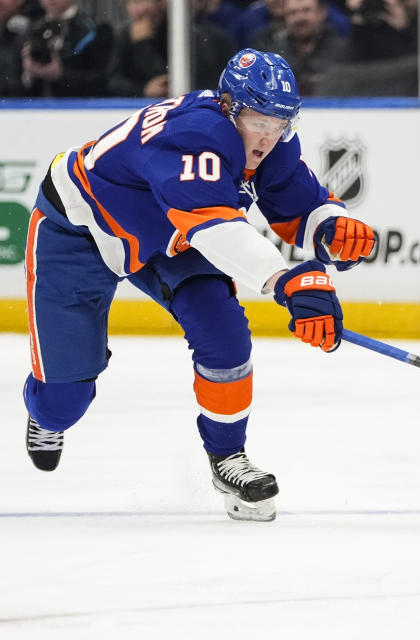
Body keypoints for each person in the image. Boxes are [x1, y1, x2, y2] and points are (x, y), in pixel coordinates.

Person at [22, 48, 376, 522]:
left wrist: (331, 228)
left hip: (172, 237)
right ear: (230, 106)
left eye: (280, 123)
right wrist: (288, 280)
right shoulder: (193, 135)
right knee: (63, 403)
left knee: (225, 335)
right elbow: (216, 229)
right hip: (83, 230)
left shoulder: (271, 142)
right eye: (258, 120)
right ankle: (46, 410)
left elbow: (300, 207)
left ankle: (227, 457)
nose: (268, 137)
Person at [107, 0, 236, 97]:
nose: (139, 10)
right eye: (133, 2)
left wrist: (143, 45)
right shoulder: (126, 35)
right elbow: (113, 82)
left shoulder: (186, 34)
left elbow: (172, 81)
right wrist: (142, 90)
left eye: (144, 1)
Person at [252, 0, 348, 96]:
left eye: (306, 11)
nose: (299, 18)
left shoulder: (342, 51)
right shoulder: (272, 56)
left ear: (322, 12)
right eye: (293, 13)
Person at [19, 0, 114, 97]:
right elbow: (9, 81)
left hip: (80, 107)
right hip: (33, 108)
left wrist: (61, 75)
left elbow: (104, 80)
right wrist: (27, 76)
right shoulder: (29, 31)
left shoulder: (95, 30)